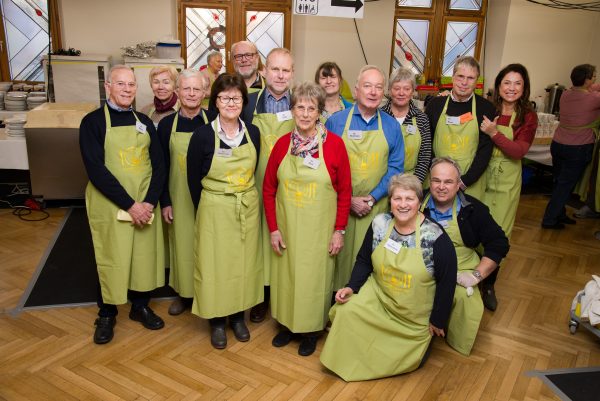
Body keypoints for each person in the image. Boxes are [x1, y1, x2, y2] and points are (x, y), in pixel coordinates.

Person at [320, 173, 456, 381]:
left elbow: (447, 282)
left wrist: (438, 319)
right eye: (397, 198)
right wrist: (351, 287)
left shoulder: (435, 237)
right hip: (379, 297)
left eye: (409, 198)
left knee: (412, 357)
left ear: (419, 202)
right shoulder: (380, 224)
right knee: (346, 310)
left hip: (410, 316)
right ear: (390, 202)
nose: (403, 204)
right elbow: (364, 260)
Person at [263, 82, 351, 356]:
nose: (304, 113)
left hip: (319, 233)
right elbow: (268, 189)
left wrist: (339, 230)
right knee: (287, 278)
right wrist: (274, 229)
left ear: (319, 112)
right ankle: (287, 326)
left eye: (311, 108)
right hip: (287, 230)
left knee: (314, 280)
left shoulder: (334, 145)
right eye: (299, 107)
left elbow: (345, 191)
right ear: (292, 111)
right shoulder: (281, 145)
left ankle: (312, 331)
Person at [79, 65, 166, 345]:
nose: (127, 89)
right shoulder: (92, 123)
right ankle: (107, 314)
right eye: (120, 84)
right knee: (111, 255)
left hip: (145, 203)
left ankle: (140, 306)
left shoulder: (144, 121)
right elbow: (96, 170)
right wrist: (130, 205)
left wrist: (149, 202)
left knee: (143, 255)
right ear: (108, 87)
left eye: (131, 85)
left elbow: (159, 165)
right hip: (111, 204)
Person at [187, 73, 262, 349]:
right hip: (214, 210)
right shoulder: (202, 135)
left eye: (236, 98)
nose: (231, 103)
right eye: (225, 97)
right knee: (215, 266)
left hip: (246, 208)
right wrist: (211, 207)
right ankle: (217, 321)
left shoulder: (253, 133)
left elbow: (255, 169)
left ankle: (238, 317)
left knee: (243, 264)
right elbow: (193, 181)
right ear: (215, 101)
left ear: (243, 101)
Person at [325, 65, 405, 291]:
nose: (373, 92)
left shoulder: (391, 126)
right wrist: (349, 199)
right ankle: (334, 301)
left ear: (383, 92)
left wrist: (371, 198)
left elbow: (395, 168)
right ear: (356, 89)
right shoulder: (336, 122)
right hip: (339, 207)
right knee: (337, 259)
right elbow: (326, 168)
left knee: (370, 258)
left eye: (378, 87)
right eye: (367, 86)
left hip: (376, 209)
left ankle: (364, 301)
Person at [421, 157, 509, 356]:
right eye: (436, 180)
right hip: (423, 265)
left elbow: (499, 243)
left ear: (458, 184)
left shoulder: (474, 209)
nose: (441, 187)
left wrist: (477, 276)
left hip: (461, 267)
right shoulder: (415, 202)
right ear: (429, 181)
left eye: (448, 182)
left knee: (466, 302)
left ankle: (455, 341)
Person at [244, 47, 296, 323]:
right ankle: (260, 297)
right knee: (258, 243)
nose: (280, 75)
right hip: (254, 184)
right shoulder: (248, 103)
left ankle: (282, 294)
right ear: (264, 71)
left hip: (291, 189)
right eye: (275, 69)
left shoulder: (301, 103)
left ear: (293, 73)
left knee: (285, 240)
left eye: (285, 70)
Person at [479, 64, 537, 311]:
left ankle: (489, 284)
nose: (511, 88)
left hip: (507, 183)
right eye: (507, 82)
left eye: (517, 83)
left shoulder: (527, 116)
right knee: (475, 228)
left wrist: (494, 134)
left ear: (524, 88)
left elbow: (519, 150)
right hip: (482, 177)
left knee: (499, 233)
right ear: (498, 85)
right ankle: (472, 276)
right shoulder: (487, 108)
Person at [157, 69, 210, 316]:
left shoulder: (215, 121)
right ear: (177, 92)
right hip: (179, 198)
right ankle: (184, 293)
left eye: (196, 89)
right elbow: (161, 167)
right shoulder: (166, 125)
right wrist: (166, 201)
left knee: (208, 246)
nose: (191, 93)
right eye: (186, 88)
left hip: (209, 197)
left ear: (204, 92)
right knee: (182, 245)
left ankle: (206, 293)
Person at [425, 56, 496, 200]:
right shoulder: (435, 105)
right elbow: (426, 144)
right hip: (437, 180)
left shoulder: (486, 108)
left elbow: (485, 150)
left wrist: (464, 181)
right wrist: (436, 175)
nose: (464, 82)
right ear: (452, 77)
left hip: (470, 183)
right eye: (460, 76)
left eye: (470, 78)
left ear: (477, 81)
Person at [543, 64, 600, 228]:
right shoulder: (593, 99)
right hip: (577, 148)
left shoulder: (566, 94)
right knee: (565, 185)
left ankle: (559, 214)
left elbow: (591, 88)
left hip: (558, 144)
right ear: (587, 80)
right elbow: (593, 90)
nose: (595, 80)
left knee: (559, 182)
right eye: (594, 77)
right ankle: (549, 219)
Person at [381, 67, 432, 183]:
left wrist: (413, 186)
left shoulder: (421, 118)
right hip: (382, 181)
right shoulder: (380, 116)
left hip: (412, 181)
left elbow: (424, 157)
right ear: (389, 90)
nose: (401, 93)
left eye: (407, 89)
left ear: (413, 91)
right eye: (396, 88)